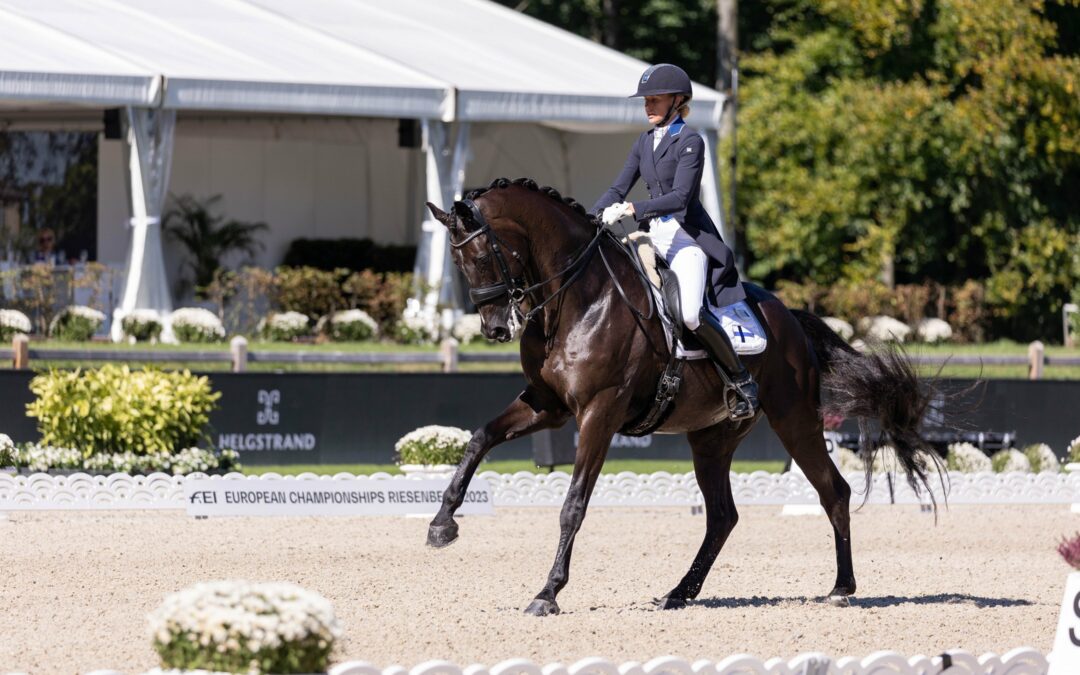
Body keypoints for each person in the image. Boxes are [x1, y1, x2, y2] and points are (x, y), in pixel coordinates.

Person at [592, 63, 758, 420]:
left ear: (677, 101)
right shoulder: (644, 141)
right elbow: (617, 188)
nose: (648, 105)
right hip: (653, 238)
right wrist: (588, 218)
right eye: (646, 100)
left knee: (690, 314)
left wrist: (634, 207)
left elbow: (681, 198)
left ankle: (741, 382)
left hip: (687, 240)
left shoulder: (691, 142)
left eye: (656, 99)